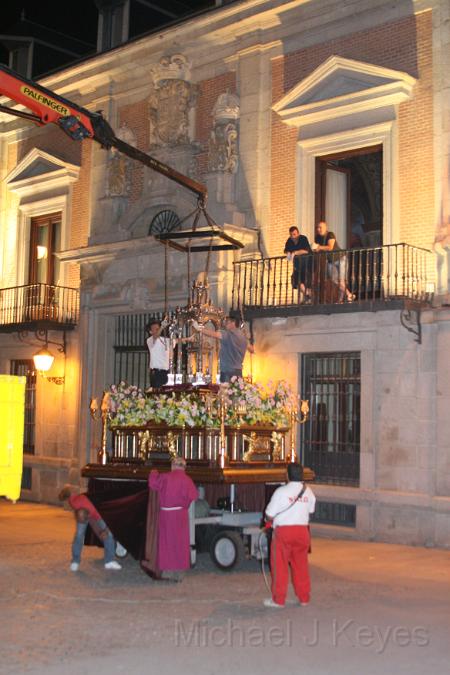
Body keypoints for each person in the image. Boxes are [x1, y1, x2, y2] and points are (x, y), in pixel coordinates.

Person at [263, 463, 315, 608]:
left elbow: (269, 514)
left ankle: (279, 600)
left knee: (279, 566)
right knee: (301, 566)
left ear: (287, 475)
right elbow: (311, 510)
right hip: (303, 532)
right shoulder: (308, 492)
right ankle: (304, 598)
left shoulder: (280, 492)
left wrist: (267, 522)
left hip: (284, 533)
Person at [148, 456, 199, 581]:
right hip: (181, 515)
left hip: (166, 515)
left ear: (172, 466)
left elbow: (153, 483)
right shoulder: (187, 480)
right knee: (180, 543)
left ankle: (167, 571)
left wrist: (153, 472)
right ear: (184, 467)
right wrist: (184, 505)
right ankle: (180, 572)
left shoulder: (165, 477)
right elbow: (194, 495)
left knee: (167, 543)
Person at [58, 486, 122, 572]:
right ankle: (75, 561)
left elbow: (109, 525)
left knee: (109, 534)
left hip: (96, 513)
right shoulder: (73, 502)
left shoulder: (95, 510)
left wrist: (104, 531)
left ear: (88, 516)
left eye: (85, 520)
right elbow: (68, 493)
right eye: (82, 521)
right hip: (82, 512)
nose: (85, 522)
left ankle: (109, 561)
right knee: (79, 535)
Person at [193, 315, 255, 383]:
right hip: (238, 371)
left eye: (227, 322)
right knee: (236, 391)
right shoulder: (243, 336)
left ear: (233, 323)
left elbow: (213, 334)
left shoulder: (228, 334)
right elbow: (252, 350)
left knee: (225, 392)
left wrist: (199, 328)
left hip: (227, 370)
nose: (225, 324)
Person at [312, 221, 354, 303]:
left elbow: (330, 247)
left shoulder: (330, 234)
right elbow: (317, 249)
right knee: (335, 281)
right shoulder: (317, 238)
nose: (319, 229)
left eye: (321, 227)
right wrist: (314, 248)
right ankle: (348, 295)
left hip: (341, 259)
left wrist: (319, 247)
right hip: (331, 261)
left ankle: (342, 299)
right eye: (318, 227)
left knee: (341, 281)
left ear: (325, 228)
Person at [283, 226, 313, 302]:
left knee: (306, 281)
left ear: (298, 233)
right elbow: (286, 250)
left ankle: (308, 298)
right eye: (291, 235)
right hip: (297, 265)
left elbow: (306, 251)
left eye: (294, 234)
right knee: (296, 281)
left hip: (308, 263)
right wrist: (288, 253)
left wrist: (295, 252)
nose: (293, 237)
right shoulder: (289, 240)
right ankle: (307, 296)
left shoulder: (303, 238)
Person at [146, 318, 170, 388]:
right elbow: (155, 336)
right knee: (158, 394)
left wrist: (187, 339)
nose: (158, 329)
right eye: (155, 329)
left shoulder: (163, 339)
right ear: (150, 331)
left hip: (166, 372)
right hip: (157, 372)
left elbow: (174, 340)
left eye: (158, 328)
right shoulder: (150, 340)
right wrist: (162, 327)